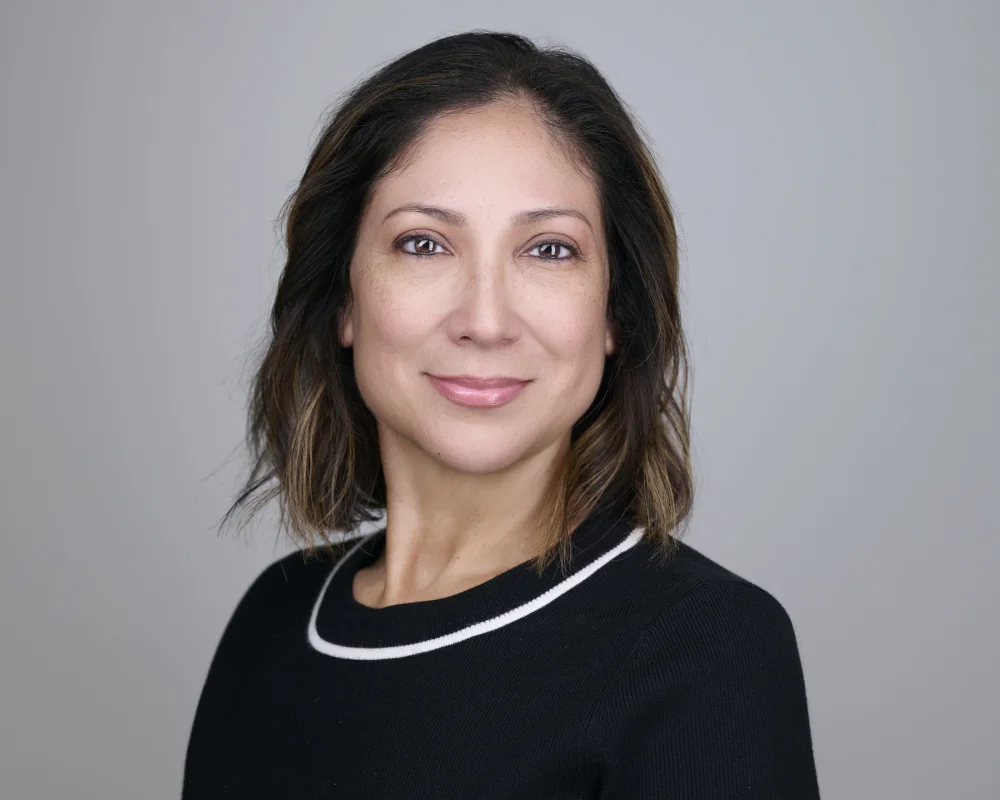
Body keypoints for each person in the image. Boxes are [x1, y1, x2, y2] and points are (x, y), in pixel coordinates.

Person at [182, 30, 820, 799]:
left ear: (616, 313)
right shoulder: (276, 619)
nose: (485, 320)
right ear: (343, 299)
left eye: (549, 250)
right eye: (423, 243)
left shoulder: (705, 651)